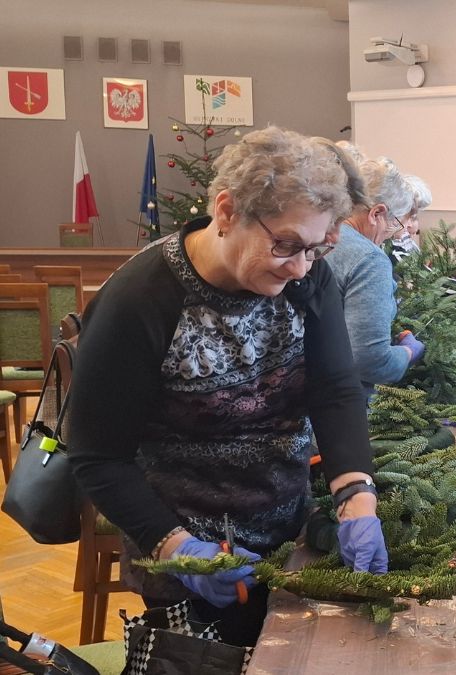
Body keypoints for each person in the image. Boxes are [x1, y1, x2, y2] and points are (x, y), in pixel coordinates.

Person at [68, 127, 388, 648]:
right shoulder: (140, 301)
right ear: (226, 211)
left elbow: (334, 391)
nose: (300, 267)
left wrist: (356, 496)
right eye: (285, 244)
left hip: (289, 527)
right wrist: (178, 548)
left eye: (315, 249)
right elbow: (98, 457)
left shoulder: (307, 276)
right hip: (182, 541)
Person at [323, 149, 425, 399]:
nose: (393, 234)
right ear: (376, 213)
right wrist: (409, 352)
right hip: (341, 398)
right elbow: (370, 360)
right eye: (396, 224)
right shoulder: (369, 260)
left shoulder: (320, 238)